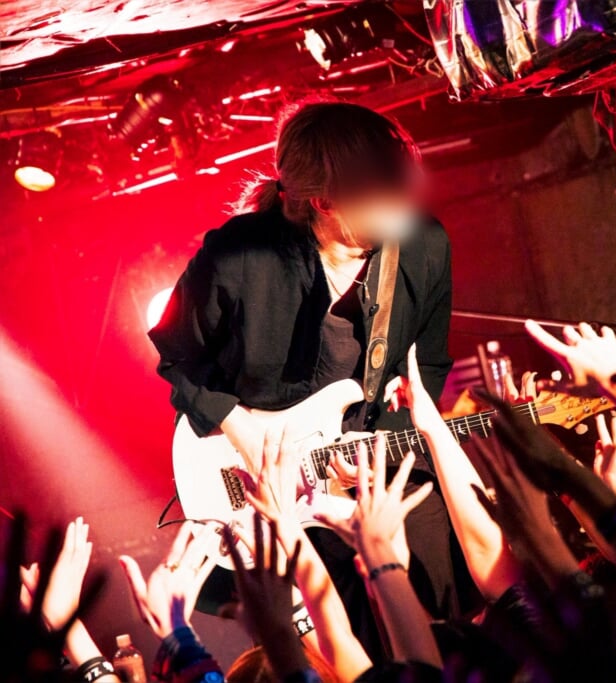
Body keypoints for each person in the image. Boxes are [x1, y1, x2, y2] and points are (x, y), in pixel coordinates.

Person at [148, 100, 459, 655]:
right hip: (252, 471)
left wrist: (386, 433)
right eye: (386, 188)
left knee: (438, 600)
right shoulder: (240, 254)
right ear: (324, 201)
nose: (408, 198)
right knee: (337, 638)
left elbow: (428, 364)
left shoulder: (425, 247)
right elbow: (177, 354)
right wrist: (239, 425)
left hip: (367, 456)